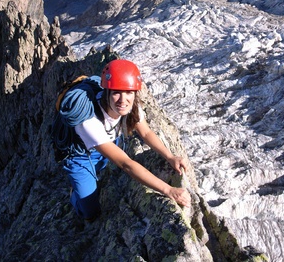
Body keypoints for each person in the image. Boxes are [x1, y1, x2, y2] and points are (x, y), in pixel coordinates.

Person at [62, 59, 191, 221]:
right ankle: (75, 195)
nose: (123, 100)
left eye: (129, 92)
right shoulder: (89, 120)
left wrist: (170, 157)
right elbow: (126, 164)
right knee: (90, 212)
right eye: (116, 92)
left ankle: (94, 177)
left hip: (108, 144)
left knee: (103, 170)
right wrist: (168, 190)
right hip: (81, 156)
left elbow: (146, 133)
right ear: (106, 91)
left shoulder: (130, 106)